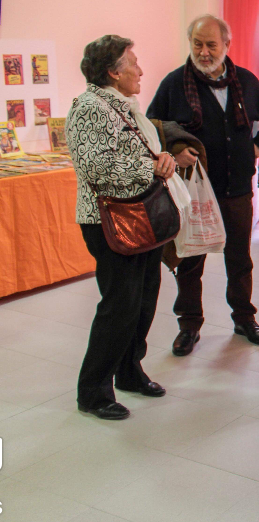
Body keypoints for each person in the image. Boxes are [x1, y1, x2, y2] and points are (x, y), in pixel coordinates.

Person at [148, 14, 259, 356]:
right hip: (192, 192)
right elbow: (153, 126)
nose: (204, 52)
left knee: (240, 259)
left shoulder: (247, 82)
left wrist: (258, 144)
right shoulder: (174, 83)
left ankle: (243, 317)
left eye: (211, 45)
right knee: (191, 259)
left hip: (237, 190)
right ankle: (189, 325)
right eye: (197, 44)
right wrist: (176, 149)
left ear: (226, 46)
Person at [66, 35, 176, 420]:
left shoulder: (121, 106)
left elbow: (130, 153)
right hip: (108, 219)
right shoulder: (89, 107)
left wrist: (159, 159)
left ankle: (129, 370)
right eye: (133, 63)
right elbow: (96, 167)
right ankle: (93, 390)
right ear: (114, 71)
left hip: (137, 214)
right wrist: (153, 166)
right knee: (119, 305)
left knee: (144, 298)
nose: (141, 70)